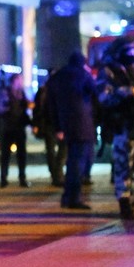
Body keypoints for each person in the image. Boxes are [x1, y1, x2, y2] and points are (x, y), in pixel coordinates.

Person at [94, 35, 134, 220]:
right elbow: (103, 98)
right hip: (123, 125)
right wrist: (126, 92)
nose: (132, 53)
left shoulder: (132, 69)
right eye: (129, 49)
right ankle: (124, 202)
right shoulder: (108, 71)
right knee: (123, 166)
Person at [50, 51, 97, 210]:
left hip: (66, 124)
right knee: (78, 163)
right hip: (83, 124)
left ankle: (67, 197)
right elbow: (95, 92)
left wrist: (57, 126)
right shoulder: (84, 75)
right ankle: (74, 198)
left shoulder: (58, 77)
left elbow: (51, 103)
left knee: (71, 160)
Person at [0, 74, 31, 188]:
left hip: (19, 127)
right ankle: (4, 178)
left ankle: (21, 178)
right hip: (8, 127)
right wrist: (7, 109)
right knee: (6, 154)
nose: (21, 82)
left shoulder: (21, 93)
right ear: (14, 81)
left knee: (21, 154)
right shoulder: (5, 93)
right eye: (19, 80)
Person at [32, 70, 65, 187]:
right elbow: (39, 109)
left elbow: (37, 109)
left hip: (49, 124)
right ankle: (57, 174)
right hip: (51, 124)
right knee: (57, 150)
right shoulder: (54, 91)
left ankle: (56, 174)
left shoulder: (45, 90)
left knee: (54, 151)